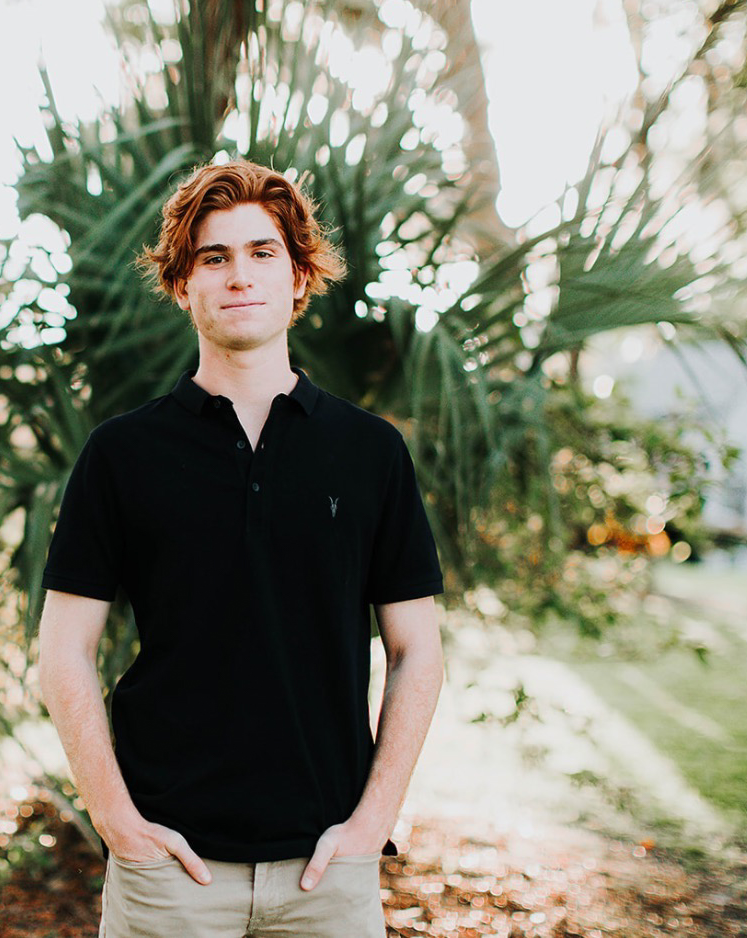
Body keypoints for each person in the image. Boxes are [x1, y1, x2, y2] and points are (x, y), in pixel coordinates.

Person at [37, 159, 445, 938]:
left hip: (328, 871)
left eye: (262, 252)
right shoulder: (122, 455)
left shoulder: (370, 453)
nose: (238, 275)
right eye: (213, 256)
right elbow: (63, 650)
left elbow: (417, 649)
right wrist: (120, 825)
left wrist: (373, 825)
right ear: (182, 282)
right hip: (168, 873)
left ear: (298, 276)